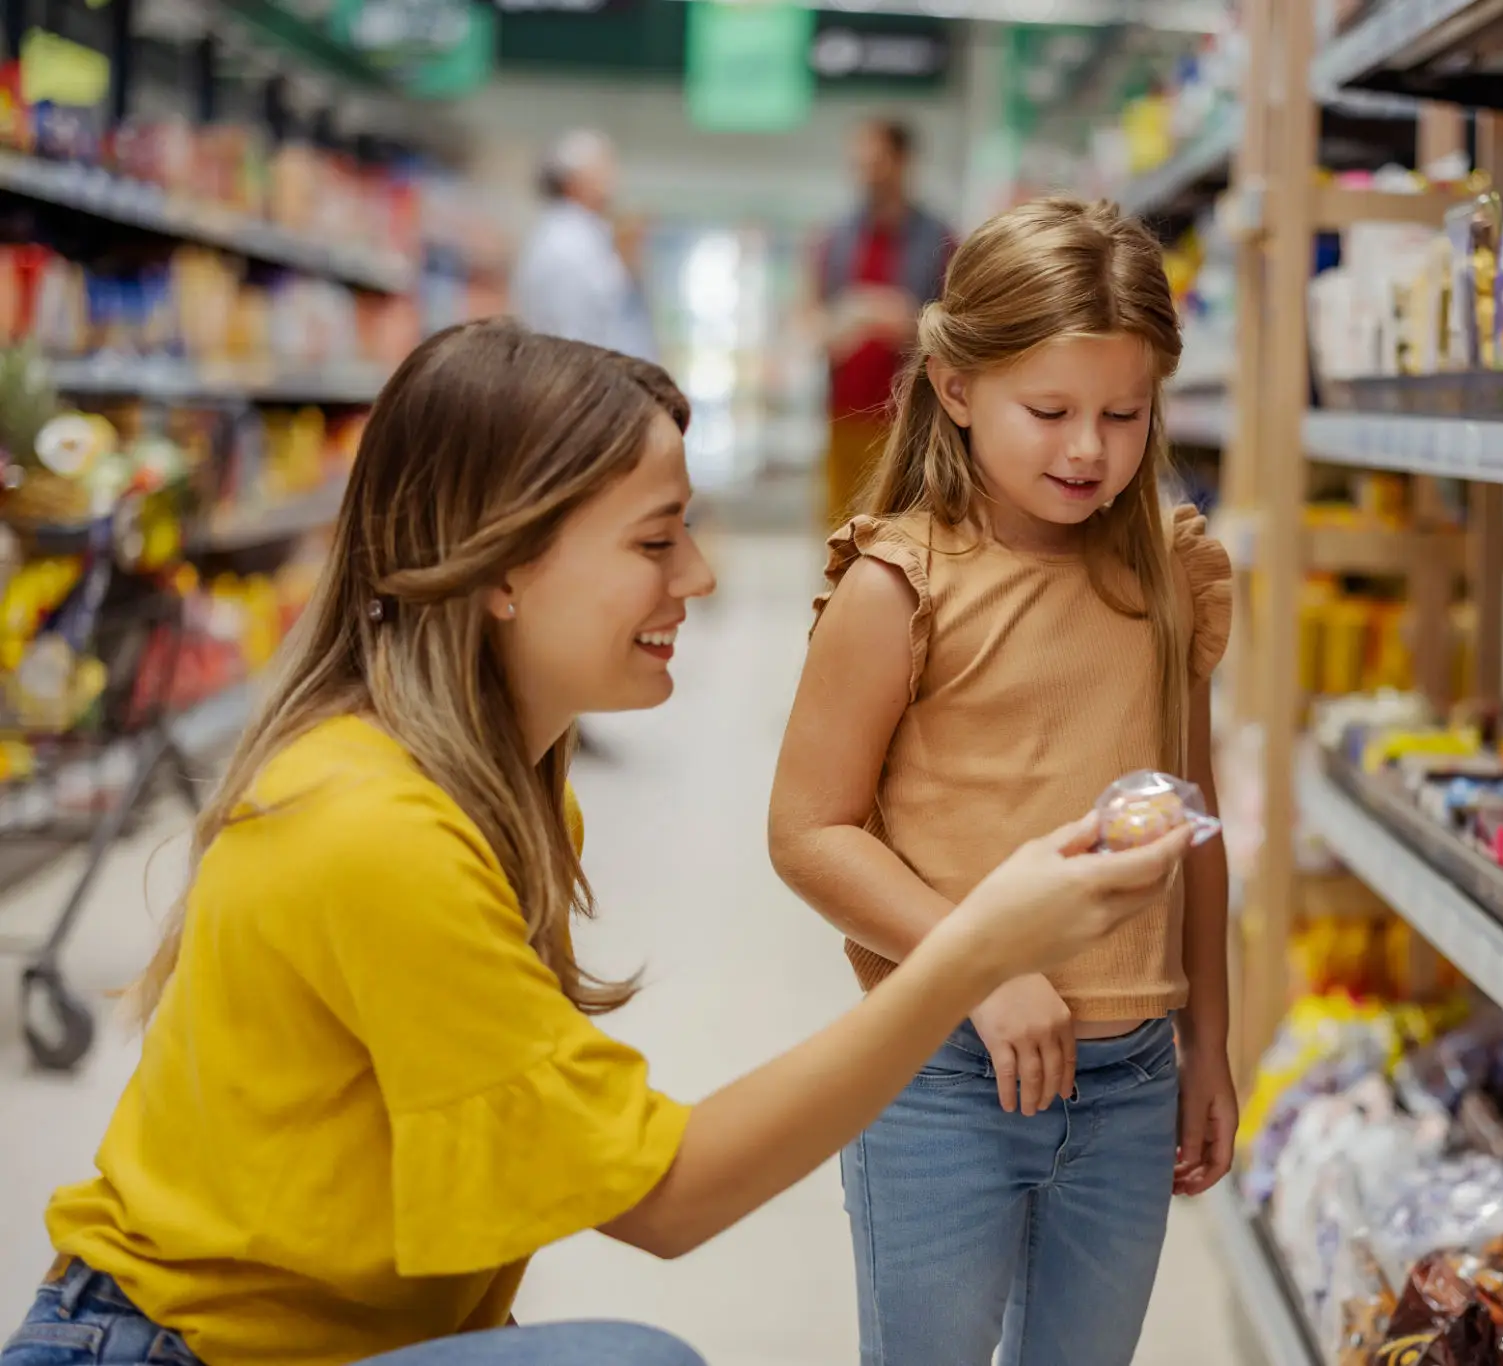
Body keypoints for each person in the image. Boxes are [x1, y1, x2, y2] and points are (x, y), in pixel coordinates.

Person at [1, 320, 1193, 1366]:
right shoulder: (368, 831)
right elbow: (665, 1197)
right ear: (506, 563)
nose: (702, 576)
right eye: (654, 540)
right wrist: (974, 951)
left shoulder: (499, 791)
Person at [769, 198, 1236, 1366]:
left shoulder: (1168, 574)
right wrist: (981, 962)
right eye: (1050, 411)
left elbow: (1193, 828)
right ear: (954, 384)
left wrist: (1211, 1040)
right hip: (940, 1075)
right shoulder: (900, 585)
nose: (1089, 449)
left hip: (1130, 1079)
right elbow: (808, 831)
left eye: (1123, 415)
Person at [812, 118, 954, 529]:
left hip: (908, 420)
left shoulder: (939, 240)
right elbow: (811, 317)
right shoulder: (836, 239)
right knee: (839, 529)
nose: (866, 174)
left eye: (876, 162)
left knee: (901, 527)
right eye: (858, 164)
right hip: (843, 415)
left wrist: (904, 321)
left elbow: (959, 325)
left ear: (903, 162)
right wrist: (832, 326)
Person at [511, 130, 659, 363]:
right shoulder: (564, 241)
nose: (611, 179)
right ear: (573, 180)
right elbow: (571, 332)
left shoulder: (589, 233)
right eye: (601, 170)